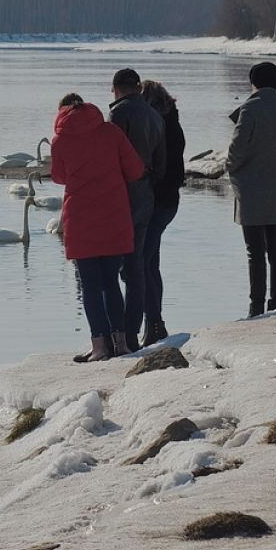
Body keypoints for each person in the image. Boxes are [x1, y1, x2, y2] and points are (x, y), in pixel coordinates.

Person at [52, 92, 146, 363]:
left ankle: (99, 346)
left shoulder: (61, 140)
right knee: (111, 283)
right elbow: (135, 170)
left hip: (80, 219)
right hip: (114, 215)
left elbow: (59, 176)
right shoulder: (111, 132)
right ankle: (121, 343)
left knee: (90, 286)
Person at [226, 61, 276, 318]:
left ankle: (256, 306)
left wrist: (234, 168)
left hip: (250, 189)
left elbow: (236, 150)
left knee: (255, 251)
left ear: (254, 82)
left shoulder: (249, 109)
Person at [107, 68, 166, 349]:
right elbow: (161, 163)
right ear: (138, 87)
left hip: (121, 199)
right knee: (137, 268)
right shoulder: (155, 116)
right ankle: (132, 332)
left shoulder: (118, 115)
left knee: (109, 269)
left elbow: (111, 159)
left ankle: (115, 334)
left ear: (115, 88)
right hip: (145, 197)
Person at [138, 79, 184, 344]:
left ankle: (154, 322)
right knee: (150, 263)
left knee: (142, 264)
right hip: (169, 203)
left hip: (156, 202)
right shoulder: (174, 124)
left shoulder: (155, 127)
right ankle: (154, 322)